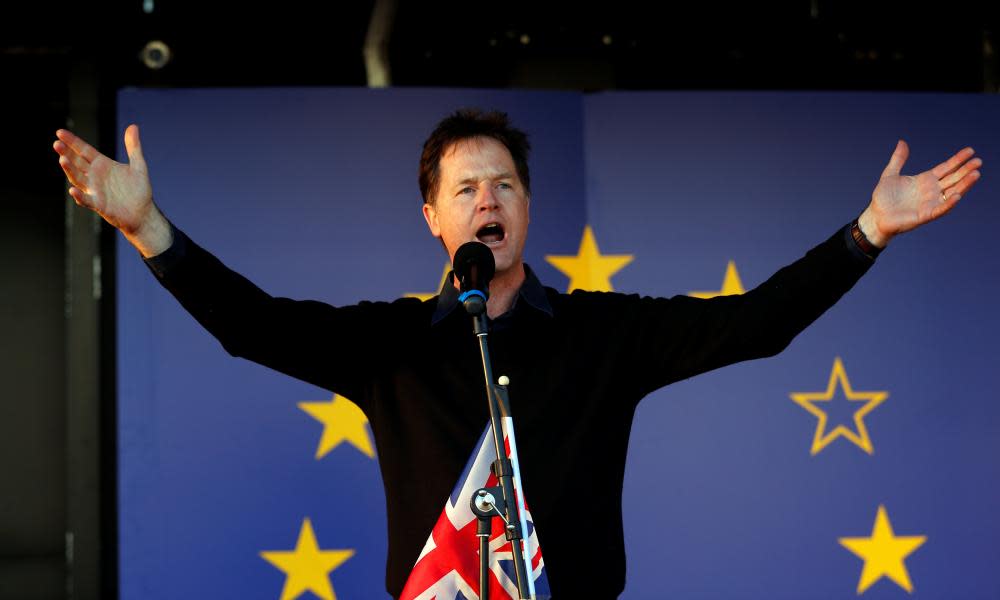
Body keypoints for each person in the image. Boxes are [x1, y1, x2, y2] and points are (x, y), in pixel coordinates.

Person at [53, 109, 982, 598]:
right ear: (434, 216)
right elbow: (253, 324)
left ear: (526, 208)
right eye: (465, 188)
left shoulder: (603, 334)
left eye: (503, 184)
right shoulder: (390, 345)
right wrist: (147, 229)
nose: (486, 201)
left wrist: (868, 230)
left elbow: (757, 322)